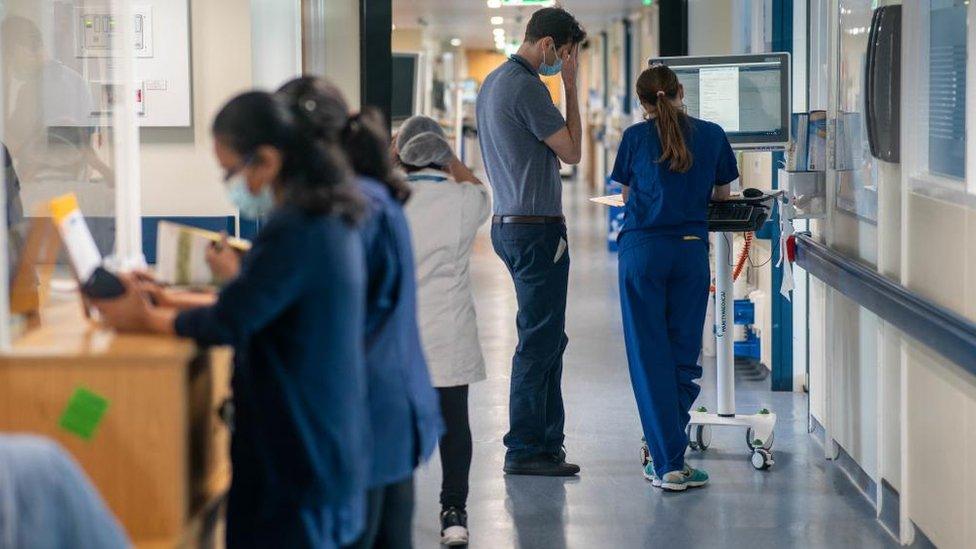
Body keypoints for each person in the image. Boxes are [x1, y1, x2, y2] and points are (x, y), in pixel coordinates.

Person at [92, 91, 371, 548]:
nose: (230, 183)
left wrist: (145, 319)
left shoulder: (297, 227)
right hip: (321, 438)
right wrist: (164, 300)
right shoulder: (322, 215)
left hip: (298, 450)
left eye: (230, 171)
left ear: (266, 160)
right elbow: (256, 300)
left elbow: (231, 319)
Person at [275, 77, 443, 549]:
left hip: (365, 415)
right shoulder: (375, 196)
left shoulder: (350, 211)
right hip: (394, 409)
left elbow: (329, 314)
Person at [612, 64, 736, 492]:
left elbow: (627, 194)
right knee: (683, 358)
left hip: (642, 253)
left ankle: (666, 462)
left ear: (642, 103)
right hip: (689, 252)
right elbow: (723, 195)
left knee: (649, 358)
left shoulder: (633, 138)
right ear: (682, 92)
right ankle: (670, 451)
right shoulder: (713, 134)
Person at [475, 6, 586, 476]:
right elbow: (574, 151)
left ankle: (546, 443)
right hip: (536, 230)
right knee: (539, 342)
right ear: (547, 46)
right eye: (565, 55)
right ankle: (525, 448)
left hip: (510, 222)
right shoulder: (528, 87)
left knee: (546, 338)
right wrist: (571, 87)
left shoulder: (494, 82)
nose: (564, 62)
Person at [394, 115, 490, 546]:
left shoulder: (388, 204)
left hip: (399, 336)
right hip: (449, 331)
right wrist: (451, 154)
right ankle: (454, 514)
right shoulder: (464, 200)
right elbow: (479, 187)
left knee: (395, 425)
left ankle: (393, 512)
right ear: (442, 153)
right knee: (454, 425)